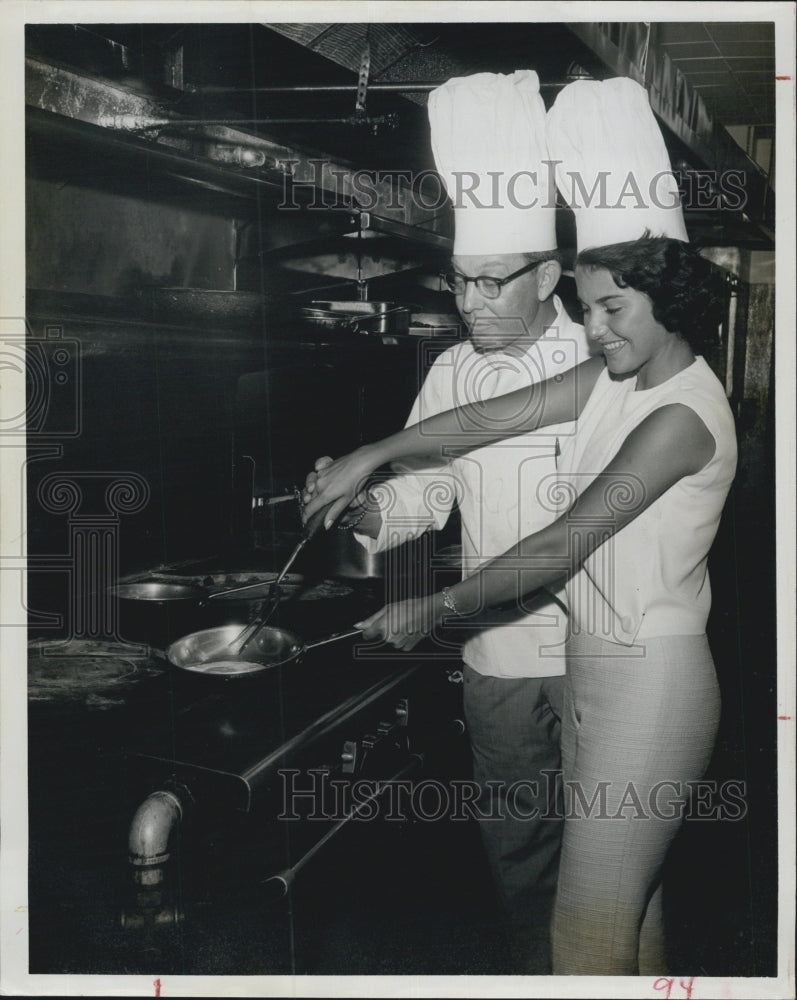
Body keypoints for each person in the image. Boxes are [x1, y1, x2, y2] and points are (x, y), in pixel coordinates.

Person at [303, 80, 737, 975]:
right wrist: (371, 457)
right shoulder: (617, 375)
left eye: (610, 308)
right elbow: (487, 420)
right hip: (586, 662)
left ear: (667, 299)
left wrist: (432, 608)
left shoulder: (680, 415)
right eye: (590, 306)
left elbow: (561, 543)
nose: (594, 326)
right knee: (624, 912)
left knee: (587, 925)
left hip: (647, 675)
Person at [308, 71, 592, 974]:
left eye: (486, 284)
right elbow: (430, 492)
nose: (465, 303)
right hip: (497, 656)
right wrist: (366, 506)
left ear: (548, 275)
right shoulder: (451, 369)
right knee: (517, 855)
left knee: (606, 858)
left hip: (602, 652)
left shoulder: (606, 355)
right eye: (457, 281)